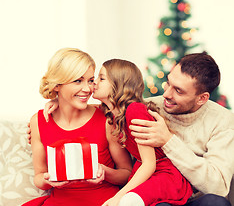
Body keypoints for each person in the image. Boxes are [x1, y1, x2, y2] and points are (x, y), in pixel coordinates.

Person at [23, 48, 132, 206]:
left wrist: (104, 171)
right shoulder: (38, 121)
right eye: (78, 81)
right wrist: (49, 180)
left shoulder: (106, 119)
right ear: (57, 85)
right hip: (60, 201)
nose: (88, 89)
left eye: (90, 80)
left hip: (104, 201)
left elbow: (126, 173)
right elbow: (39, 177)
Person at [128, 52, 234, 206]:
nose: (166, 94)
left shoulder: (222, 122)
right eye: (168, 83)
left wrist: (168, 141)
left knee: (215, 203)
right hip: (158, 196)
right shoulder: (149, 107)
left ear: (202, 98)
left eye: (178, 91)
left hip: (196, 200)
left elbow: (218, 186)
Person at [91, 59, 193, 206]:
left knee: (127, 201)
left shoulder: (135, 111)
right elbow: (79, 107)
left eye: (101, 78)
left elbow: (149, 164)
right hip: (147, 173)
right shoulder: (113, 114)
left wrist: (118, 197)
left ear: (118, 83)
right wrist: (56, 102)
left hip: (163, 175)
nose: (95, 82)